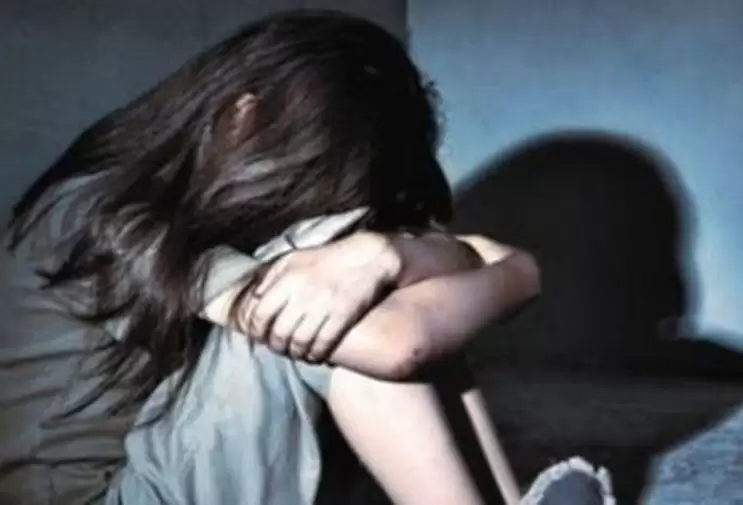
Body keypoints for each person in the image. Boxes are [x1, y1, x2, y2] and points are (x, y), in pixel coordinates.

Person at [0, 9, 614, 505]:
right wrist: (512, 272)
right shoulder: (109, 216)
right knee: (320, 289)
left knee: (340, 278)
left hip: (146, 472)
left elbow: (419, 295)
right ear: (242, 117)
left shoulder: (153, 208)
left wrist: (385, 252)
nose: (296, 209)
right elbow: (395, 343)